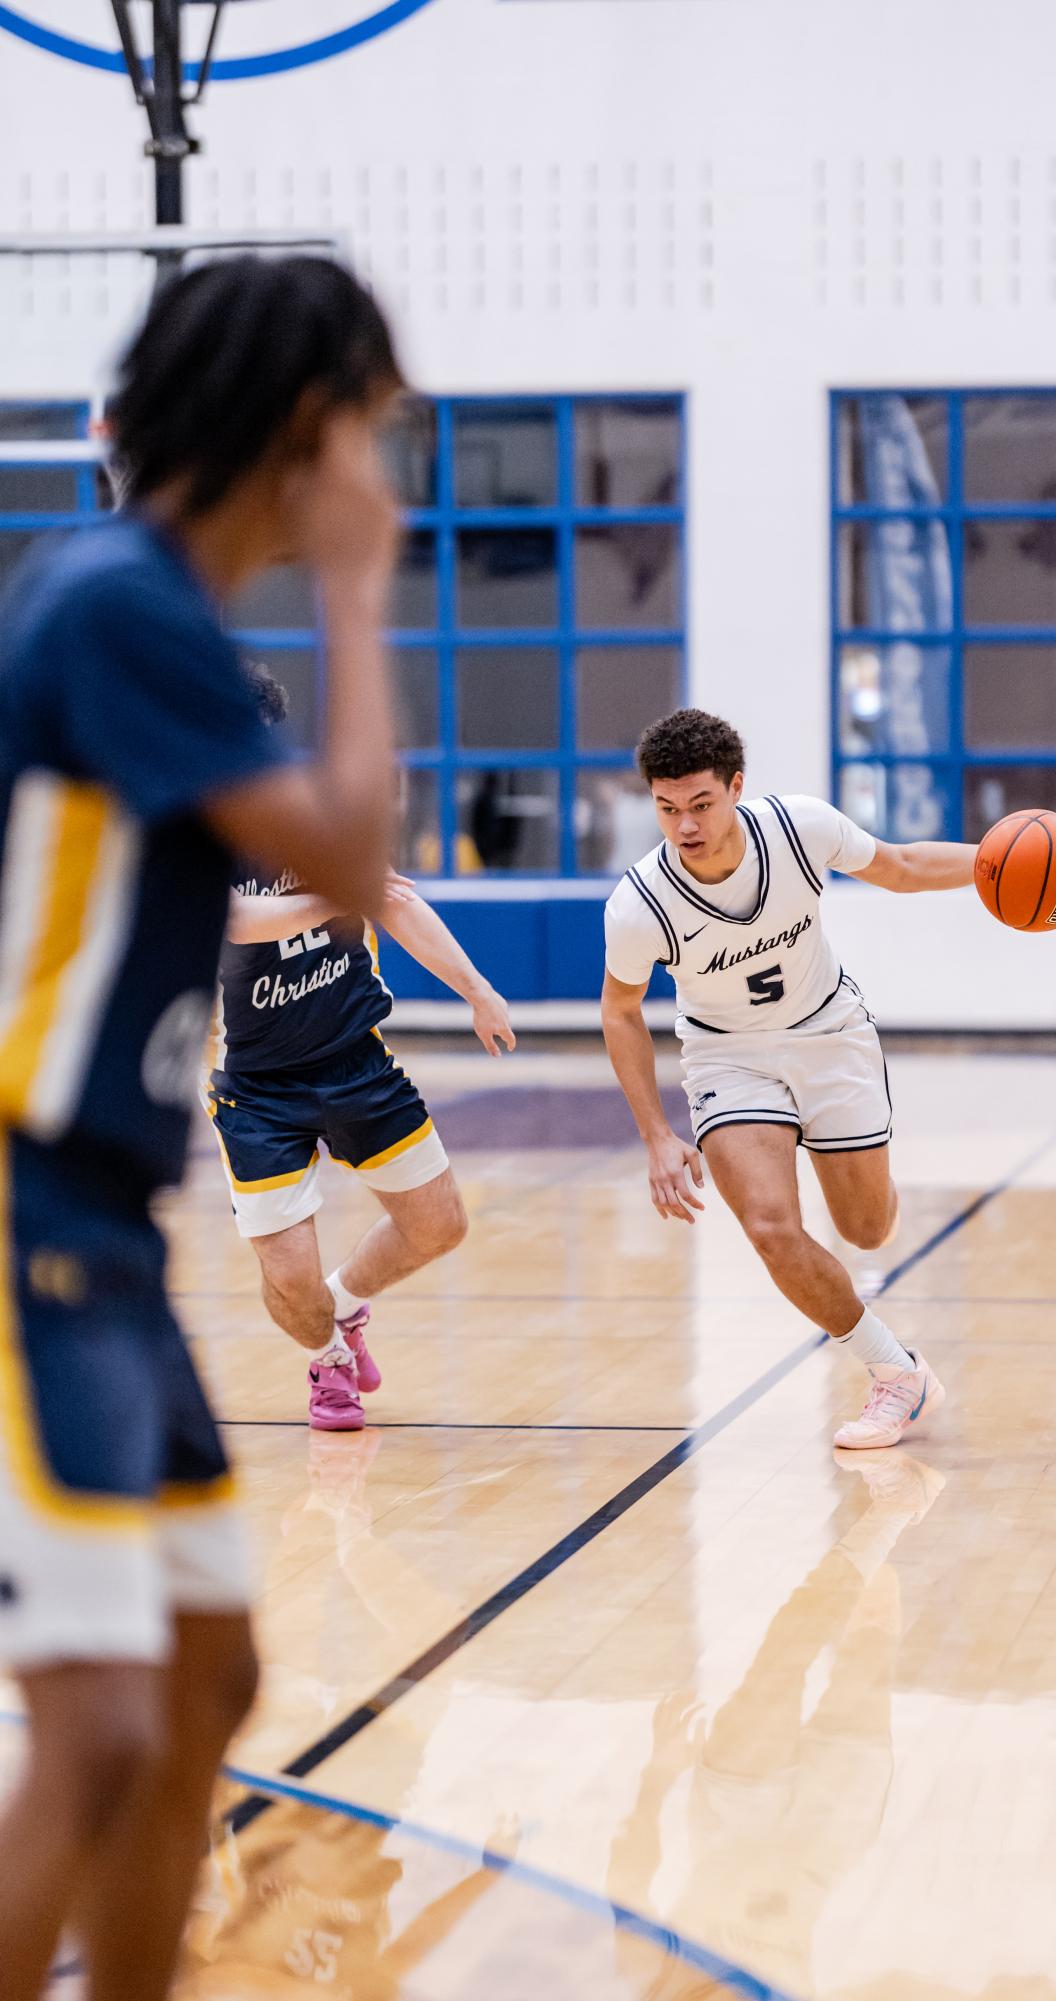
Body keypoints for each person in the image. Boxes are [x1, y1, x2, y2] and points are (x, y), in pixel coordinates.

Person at [0, 253, 405, 2001]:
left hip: (99, 1222)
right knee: (98, 1726)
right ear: (304, 428)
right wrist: (360, 591)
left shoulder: (121, 602)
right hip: (19, 1201)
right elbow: (349, 862)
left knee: (212, 1677)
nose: (380, 473)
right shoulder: (119, 604)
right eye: (368, 435)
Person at [601, 708, 977, 1452]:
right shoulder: (641, 903)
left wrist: (992, 859)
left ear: (736, 787)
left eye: (702, 804)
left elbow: (898, 868)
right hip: (727, 1060)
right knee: (772, 1228)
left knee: (866, 1227)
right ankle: (897, 1374)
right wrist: (656, 1135)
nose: (685, 826)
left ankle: (854, 1166)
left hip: (829, 1036)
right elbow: (620, 1012)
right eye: (668, 808)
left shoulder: (800, 829)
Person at [210, 663, 515, 1432]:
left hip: (354, 1058)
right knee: (289, 1284)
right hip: (256, 1087)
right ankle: (328, 1357)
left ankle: (346, 1308)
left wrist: (475, 989)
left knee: (441, 1224)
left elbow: (398, 900)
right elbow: (238, 921)